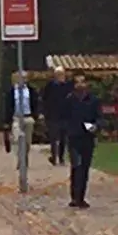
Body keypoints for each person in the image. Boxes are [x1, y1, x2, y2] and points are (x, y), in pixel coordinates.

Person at [63, 74, 101, 209]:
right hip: (74, 137)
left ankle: (81, 196)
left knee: (84, 167)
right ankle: (74, 196)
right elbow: (64, 117)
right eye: (77, 82)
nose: (80, 85)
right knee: (76, 166)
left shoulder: (93, 100)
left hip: (87, 137)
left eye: (82, 82)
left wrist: (96, 126)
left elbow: (99, 117)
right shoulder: (69, 100)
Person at [2, 71, 39, 169]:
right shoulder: (11, 92)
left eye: (25, 78)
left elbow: (36, 103)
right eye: (21, 77)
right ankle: (20, 159)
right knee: (17, 139)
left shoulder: (31, 90)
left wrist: (35, 116)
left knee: (27, 142)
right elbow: (8, 106)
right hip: (16, 118)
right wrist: (6, 121)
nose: (24, 79)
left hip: (28, 117)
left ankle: (24, 158)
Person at [42, 67, 74, 166]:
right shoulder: (50, 86)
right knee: (53, 137)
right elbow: (44, 100)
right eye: (58, 75)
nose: (61, 77)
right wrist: (44, 113)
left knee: (63, 138)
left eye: (62, 75)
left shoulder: (68, 86)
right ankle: (53, 157)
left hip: (64, 115)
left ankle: (61, 157)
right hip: (52, 116)